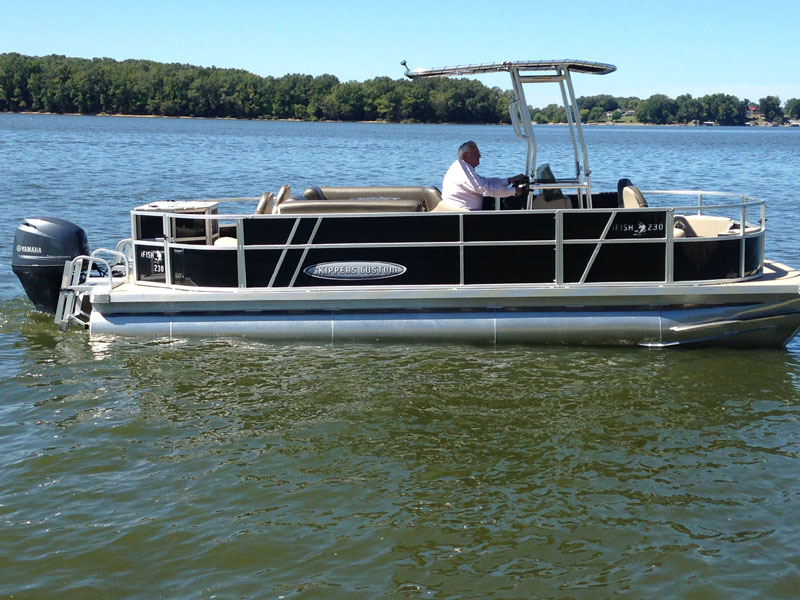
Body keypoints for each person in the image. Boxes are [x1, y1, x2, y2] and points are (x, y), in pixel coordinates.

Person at [437, 141, 527, 211]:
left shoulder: (464, 168)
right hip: (465, 215)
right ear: (465, 156)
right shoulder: (461, 171)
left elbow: (485, 182)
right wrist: (514, 191)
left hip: (468, 212)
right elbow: (485, 189)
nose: (480, 155)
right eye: (476, 152)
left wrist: (509, 180)